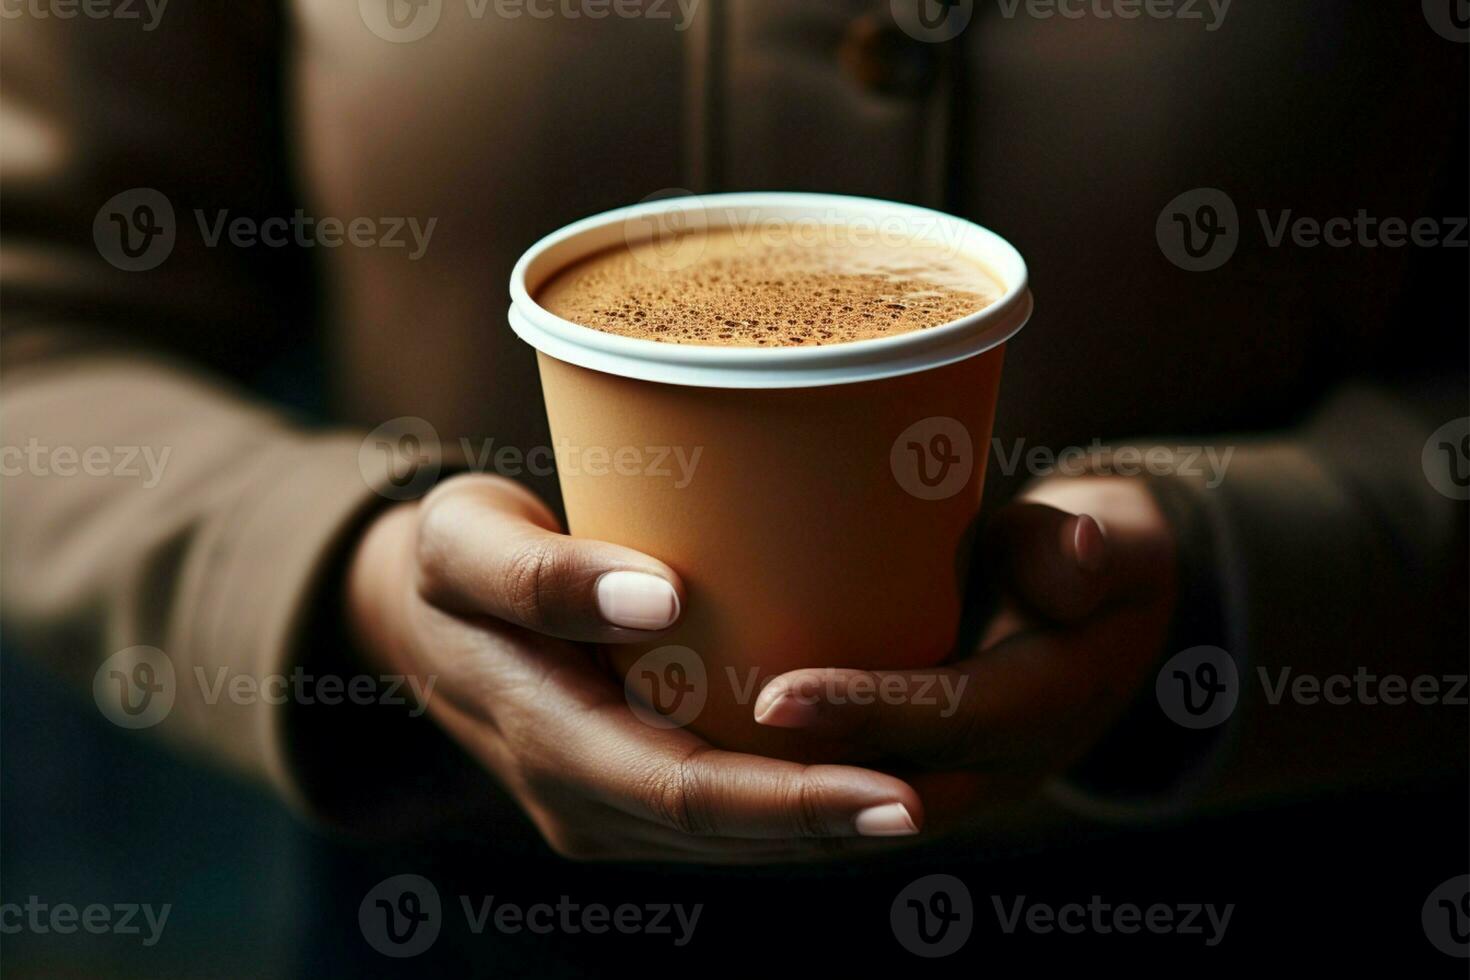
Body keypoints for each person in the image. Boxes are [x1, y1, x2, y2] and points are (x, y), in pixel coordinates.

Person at [2, 1, 1464, 870]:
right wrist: (350, 579)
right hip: (449, 899)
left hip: (1285, 864)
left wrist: (1250, 578)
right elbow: (35, 338)